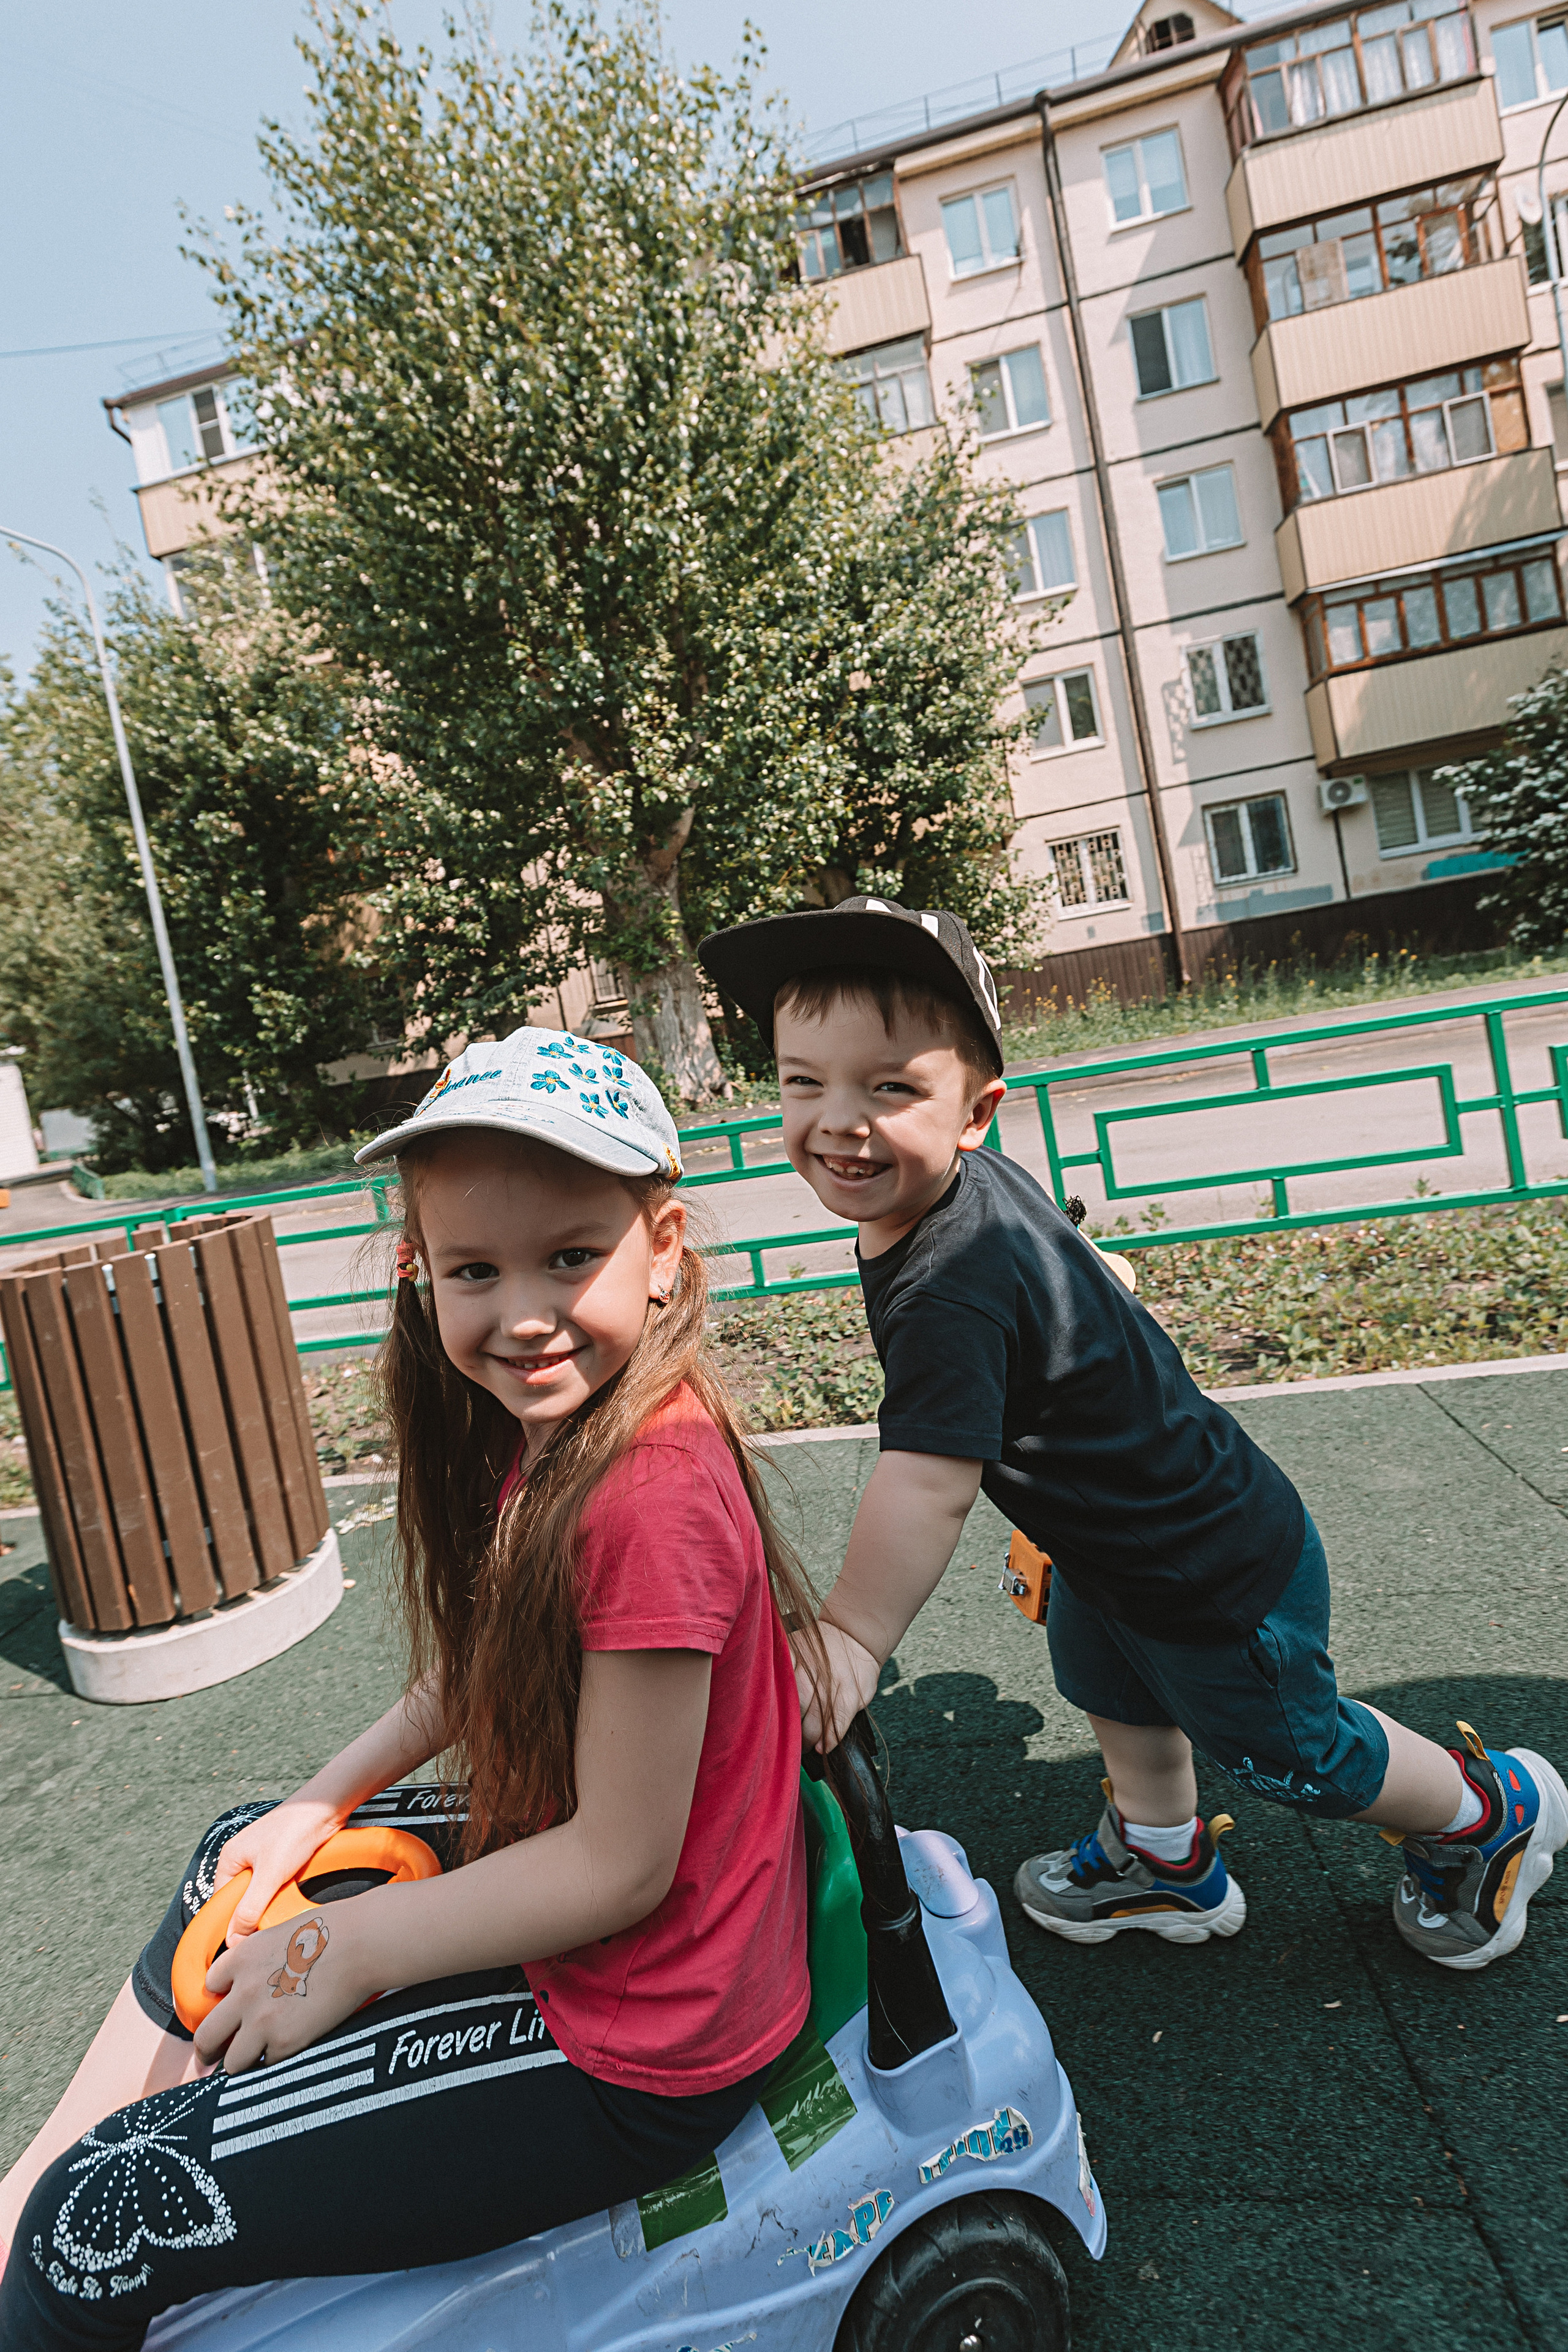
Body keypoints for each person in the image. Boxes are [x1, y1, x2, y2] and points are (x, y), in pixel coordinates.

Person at [0, 1028, 824, 2350]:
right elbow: (485, 1663)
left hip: (636, 2047)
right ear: (419, 1274)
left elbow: (618, 1867)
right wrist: (322, 1801)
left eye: (571, 1256)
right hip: (605, 1944)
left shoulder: (647, 1492)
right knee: (242, 1856)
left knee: (93, 2230)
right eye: (474, 1272)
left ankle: (55, 2219)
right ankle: (35, 2191)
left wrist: (346, 1948)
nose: (523, 1315)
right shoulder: (568, 1427)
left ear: (661, 1246)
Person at [699, 897, 1568, 1970]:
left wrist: (851, 1638)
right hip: (1120, 1539)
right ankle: (1164, 1862)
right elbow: (1084, 1268)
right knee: (1108, 1680)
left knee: (1298, 1752)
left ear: (975, 1112)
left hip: (1206, 1564)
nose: (839, 1119)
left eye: (890, 1087)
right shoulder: (965, 1190)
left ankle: (1489, 1815)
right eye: (804, 1081)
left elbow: (929, 1481)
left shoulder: (945, 1285)